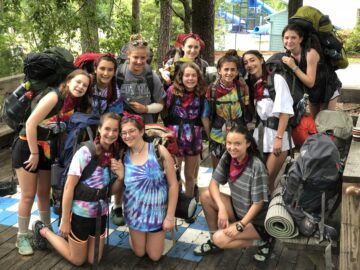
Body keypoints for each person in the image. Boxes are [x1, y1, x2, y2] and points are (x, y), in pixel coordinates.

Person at [12, 69, 92, 256]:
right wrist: (33, 153)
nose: (80, 87)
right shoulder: (54, 96)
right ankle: (22, 236)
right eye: (78, 82)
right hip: (27, 147)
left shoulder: (73, 101)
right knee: (28, 194)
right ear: (69, 80)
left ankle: (46, 230)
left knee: (43, 193)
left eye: (85, 85)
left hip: (47, 149)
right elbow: (31, 124)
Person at [31, 112, 124, 266]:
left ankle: (79, 243)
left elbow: (111, 191)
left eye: (115, 130)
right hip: (80, 214)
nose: (111, 134)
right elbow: (69, 187)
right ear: (99, 129)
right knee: (78, 260)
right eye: (107, 129)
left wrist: (121, 177)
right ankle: (43, 230)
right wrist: (66, 219)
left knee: (94, 260)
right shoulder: (85, 152)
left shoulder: (114, 154)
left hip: (100, 214)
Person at [193, 126, 272, 262]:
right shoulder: (228, 157)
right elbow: (213, 184)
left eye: (237, 144)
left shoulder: (256, 166)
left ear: (247, 144)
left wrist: (240, 226)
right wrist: (222, 208)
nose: (232, 148)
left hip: (257, 221)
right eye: (229, 143)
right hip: (238, 209)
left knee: (220, 238)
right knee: (206, 196)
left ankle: (264, 240)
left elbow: (258, 204)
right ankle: (214, 242)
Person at [113, 33, 166, 225]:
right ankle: (117, 206)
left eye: (143, 58)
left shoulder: (151, 76)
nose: (139, 61)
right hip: (122, 130)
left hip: (145, 129)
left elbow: (160, 103)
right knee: (120, 164)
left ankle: (141, 202)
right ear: (128, 55)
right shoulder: (119, 74)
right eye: (136, 57)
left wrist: (146, 109)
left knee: (142, 165)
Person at [120, 113, 178, 261]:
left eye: (132, 131)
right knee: (139, 253)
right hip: (134, 213)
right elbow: (119, 188)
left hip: (157, 214)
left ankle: (151, 239)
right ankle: (136, 236)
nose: (128, 136)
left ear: (141, 131)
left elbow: (173, 185)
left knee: (154, 256)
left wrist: (170, 217)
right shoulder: (123, 156)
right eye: (124, 133)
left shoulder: (158, 151)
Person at [243, 50, 294, 193]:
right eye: (245, 62)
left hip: (278, 137)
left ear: (261, 60)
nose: (249, 64)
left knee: (266, 180)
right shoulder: (252, 85)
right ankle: (267, 212)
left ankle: (266, 213)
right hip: (260, 137)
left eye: (252, 60)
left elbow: (285, 112)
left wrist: (278, 138)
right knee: (263, 182)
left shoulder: (276, 80)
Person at [166, 62, 210, 200]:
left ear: (198, 77)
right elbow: (165, 111)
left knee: (189, 175)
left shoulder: (202, 93)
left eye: (193, 76)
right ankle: (176, 200)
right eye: (187, 75)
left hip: (193, 137)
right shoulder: (172, 91)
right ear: (181, 77)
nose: (190, 78)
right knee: (174, 172)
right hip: (174, 136)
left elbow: (204, 116)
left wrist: (209, 137)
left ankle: (189, 201)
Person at [281, 24, 342, 118]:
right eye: (286, 38)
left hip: (329, 88)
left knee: (325, 124)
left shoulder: (310, 53)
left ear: (300, 39)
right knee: (314, 122)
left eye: (293, 37)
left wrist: (293, 66)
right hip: (314, 93)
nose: (289, 41)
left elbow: (310, 82)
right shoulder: (288, 54)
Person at [207, 51, 249, 170]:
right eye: (226, 69)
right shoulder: (212, 89)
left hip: (239, 131)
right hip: (217, 132)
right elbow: (207, 114)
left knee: (237, 169)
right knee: (217, 170)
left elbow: (246, 108)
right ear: (219, 70)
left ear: (237, 71)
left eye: (233, 70)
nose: (229, 73)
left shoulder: (242, 87)